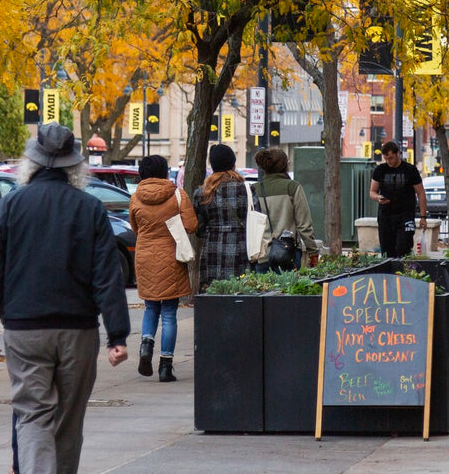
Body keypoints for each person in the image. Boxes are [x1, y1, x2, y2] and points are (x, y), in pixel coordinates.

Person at [0, 123, 130, 474]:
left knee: (32, 412)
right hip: (78, 329)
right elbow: (107, 275)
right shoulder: (90, 207)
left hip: (25, 328)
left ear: (33, 161)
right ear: (75, 166)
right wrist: (118, 335)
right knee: (69, 417)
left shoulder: (12, 204)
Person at [128, 154, 197, 382]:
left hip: (145, 256)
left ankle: (146, 344)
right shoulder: (177, 194)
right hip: (171, 257)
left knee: (150, 308)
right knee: (169, 313)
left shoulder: (136, 197)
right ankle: (166, 366)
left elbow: (134, 227)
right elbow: (191, 225)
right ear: (166, 171)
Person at [193, 144, 256, 290]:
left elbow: (198, 228)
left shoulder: (202, 193)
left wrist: (213, 230)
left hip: (212, 247)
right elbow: (256, 217)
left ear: (213, 165)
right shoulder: (246, 189)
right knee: (241, 292)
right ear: (233, 164)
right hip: (241, 246)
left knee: (213, 293)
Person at [251, 146, 319, 270]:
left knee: (262, 289)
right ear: (284, 165)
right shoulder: (293, 187)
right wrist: (312, 251)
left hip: (262, 256)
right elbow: (304, 225)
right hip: (288, 254)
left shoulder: (255, 189)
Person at [369, 141, 427, 258]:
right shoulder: (380, 170)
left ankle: (403, 271)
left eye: (390, 158)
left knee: (402, 247)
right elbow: (372, 192)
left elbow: (421, 193)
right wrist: (378, 197)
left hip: (405, 215)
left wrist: (423, 217)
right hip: (385, 216)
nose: (388, 161)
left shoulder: (410, 170)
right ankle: (389, 274)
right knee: (387, 251)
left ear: (398, 154)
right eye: (386, 158)